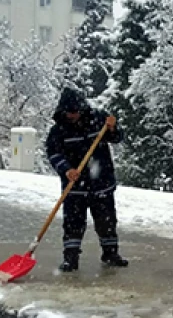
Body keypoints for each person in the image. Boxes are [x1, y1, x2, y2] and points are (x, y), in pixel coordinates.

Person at [45, 87, 128, 272]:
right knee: (73, 223)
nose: (72, 115)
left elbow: (117, 138)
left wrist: (113, 127)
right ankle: (70, 258)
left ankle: (110, 253)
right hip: (74, 187)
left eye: (75, 111)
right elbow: (53, 154)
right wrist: (66, 170)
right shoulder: (58, 130)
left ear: (82, 109)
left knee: (106, 221)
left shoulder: (98, 119)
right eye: (69, 112)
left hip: (101, 183)